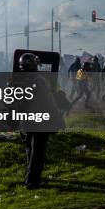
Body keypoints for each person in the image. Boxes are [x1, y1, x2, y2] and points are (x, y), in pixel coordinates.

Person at [16, 53, 62, 190]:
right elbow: (48, 101)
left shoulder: (16, 79)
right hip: (41, 119)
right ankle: (32, 181)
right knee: (38, 151)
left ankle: (29, 178)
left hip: (25, 121)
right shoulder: (39, 80)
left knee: (30, 149)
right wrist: (57, 117)